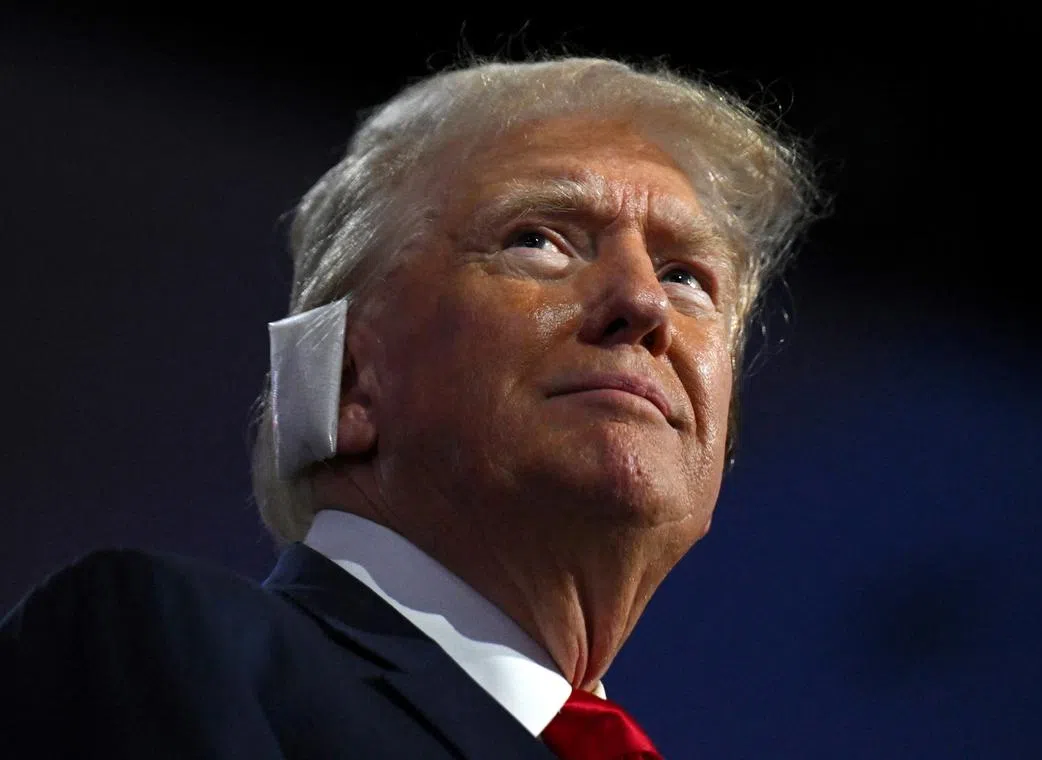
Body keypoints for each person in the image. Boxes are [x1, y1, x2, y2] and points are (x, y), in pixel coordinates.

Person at [0, 56, 817, 758]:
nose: (644, 302)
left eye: (687, 277)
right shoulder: (173, 650)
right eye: (539, 239)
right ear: (352, 378)